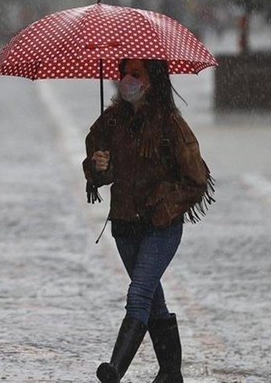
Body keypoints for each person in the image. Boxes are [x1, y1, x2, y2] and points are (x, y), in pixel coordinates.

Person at [83, 58, 215, 383]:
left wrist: (164, 204)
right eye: (124, 73)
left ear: (151, 81)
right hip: (125, 227)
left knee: (139, 293)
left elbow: (197, 179)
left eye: (136, 74)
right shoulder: (110, 123)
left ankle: (114, 369)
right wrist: (97, 167)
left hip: (161, 228)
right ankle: (171, 373)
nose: (126, 79)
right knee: (153, 299)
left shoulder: (170, 124)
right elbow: (101, 171)